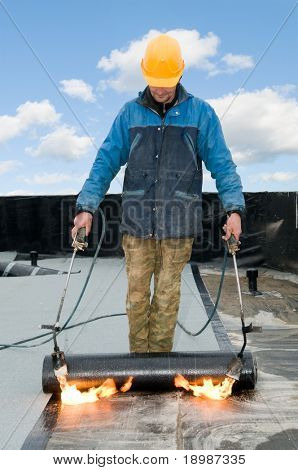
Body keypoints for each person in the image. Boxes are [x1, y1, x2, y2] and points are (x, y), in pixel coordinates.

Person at [72, 34, 245, 353]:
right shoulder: (129, 114)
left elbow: (223, 164)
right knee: (137, 300)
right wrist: (87, 207)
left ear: (181, 73)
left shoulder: (201, 114)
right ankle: (140, 366)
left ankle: (160, 369)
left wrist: (234, 209)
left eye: (168, 80)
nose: (162, 88)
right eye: (156, 81)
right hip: (137, 229)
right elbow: (105, 161)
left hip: (179, 229)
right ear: (144, 73)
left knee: (166, 301)